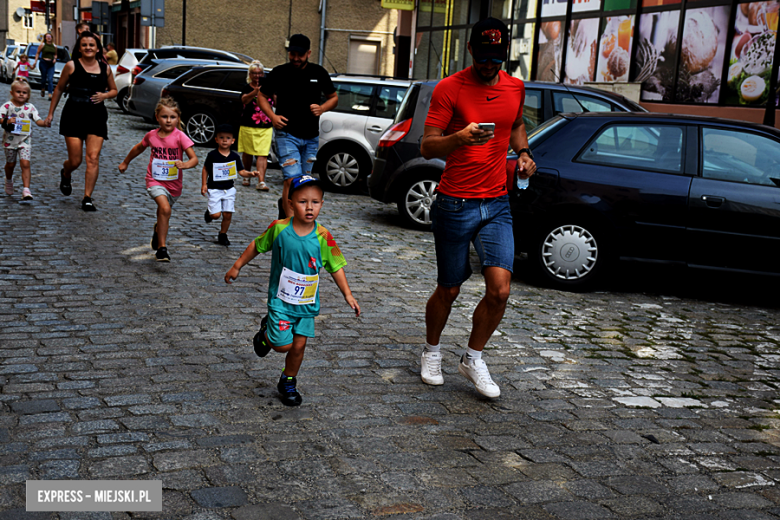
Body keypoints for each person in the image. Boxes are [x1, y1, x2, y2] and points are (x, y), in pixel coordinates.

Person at [418, 18, 536, 398]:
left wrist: (523, 153)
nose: (490, 65)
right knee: (449, 289)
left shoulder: (515, 86)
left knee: (500, 290)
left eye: (496, 58)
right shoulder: (449, 88)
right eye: (483, 57)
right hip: (454, 203)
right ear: (470, 50)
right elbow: (427, 146)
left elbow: (516, 124)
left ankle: (472, 358)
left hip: (496, 202)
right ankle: (431, 351)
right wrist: (459, 137)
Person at [225, 175, 360, 406]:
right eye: (302, 201)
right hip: (280, 301)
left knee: (299, 345)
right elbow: (256, 246)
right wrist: (237, 265)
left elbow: (336, 266)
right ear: (289, 203)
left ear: (321, 204)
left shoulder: (324, 236)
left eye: (315, 202)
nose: (309, 207)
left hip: (306, 304)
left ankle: (288, 380)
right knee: (283, 345)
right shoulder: (279, 229)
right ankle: (267, 335)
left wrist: (347, 294)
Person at [258, 34, 337, 217]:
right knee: (291, 179)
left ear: (308, 53)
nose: (295, 58)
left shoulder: (319, 73)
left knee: (303, 181)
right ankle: (289, 224)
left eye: (299, 55)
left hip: (311, 136)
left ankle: (285, 205)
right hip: (286, 133)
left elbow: (333, 98)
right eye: (292, 54)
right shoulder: (280, 72)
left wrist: (322, 108)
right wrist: (272, 116)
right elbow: (262, 96)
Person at [43, 31, 117, 212]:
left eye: (92, 45)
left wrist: (105, 95)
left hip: (96, 115)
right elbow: (59, 89)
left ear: (97, 48)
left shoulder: (105, 68)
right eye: (84, 45)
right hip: (74, 113)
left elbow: (114, 90)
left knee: (92, 158)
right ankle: (66, 173)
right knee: (75, 161)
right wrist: (50, 114)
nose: (88, 48)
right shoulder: (71, 65)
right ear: (79, 48)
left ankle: (87, 197)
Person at [118, 97, 198, 262]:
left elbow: (194, 159)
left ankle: (157, 231)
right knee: (165, 209)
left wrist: (185, 164)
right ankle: (162, 249)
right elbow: (138, 148)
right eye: (164, 117)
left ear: (178, 118)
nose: (168, 121)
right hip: (155, 180)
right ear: (157, 117)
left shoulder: (180, 136)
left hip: (174, 185)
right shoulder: (152, 136)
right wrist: (126, 162)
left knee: (164, 211)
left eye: (172, 117)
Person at [202, 124, 255, 246]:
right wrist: (204, 184)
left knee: (227, 214)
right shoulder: (212, 155)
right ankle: (210, 212)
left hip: (229, 189)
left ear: (233, 141)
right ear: (216, 139)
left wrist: (251, 174)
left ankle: (223, 234)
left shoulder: (235, 156)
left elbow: (241, 171)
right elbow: (205, 169)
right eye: (221, 137)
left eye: (227, 138)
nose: (224, 140)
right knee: (216, 215)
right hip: (214, 188)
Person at [1, 79, 47, 201]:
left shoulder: (30, 107)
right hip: (9, 141)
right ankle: (9, 180)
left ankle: (26, 190)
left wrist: (45, 123)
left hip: (24, 141)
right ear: (12, 93)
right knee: (10, 164)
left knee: (25, 163)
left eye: (24, 92)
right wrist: (6, 121)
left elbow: (38, 120)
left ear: (28, 95)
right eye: (18, 92)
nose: (21, 94)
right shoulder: (7, 106)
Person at [238, 60, 273, 191]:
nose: (257, 76)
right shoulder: (246, 87)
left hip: (265, 126)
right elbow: (244, 100)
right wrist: (256, 91)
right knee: (248, 152)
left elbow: (275, 101)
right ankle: (247, 174)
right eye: (254, 73)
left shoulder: (269, 87)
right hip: (248, 125)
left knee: (262, 154)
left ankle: (261, 181)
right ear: (250, 74)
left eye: (260, 73)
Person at [32, 33, 57, 99]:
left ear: (52, 38)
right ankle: (42, 89)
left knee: (50, 79)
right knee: (43, 78)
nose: (49, 38)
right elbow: (37, 53)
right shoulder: (42, 45)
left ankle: (50, 94)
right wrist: (35, 62)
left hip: (51, 64)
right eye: (47, 36)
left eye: (50, 36)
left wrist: (55, 59)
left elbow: (55, 54)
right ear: (45, 38)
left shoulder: (54, 46)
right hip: (43, 63)